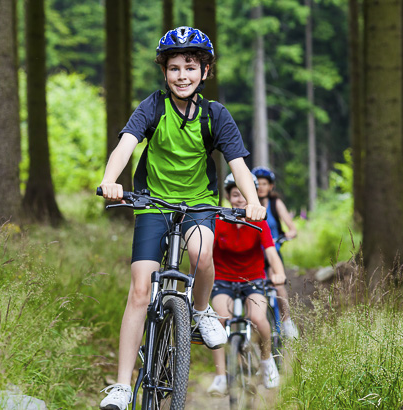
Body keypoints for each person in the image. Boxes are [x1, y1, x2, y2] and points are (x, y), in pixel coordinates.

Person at [99, 26, 266, 410]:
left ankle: (201, 309)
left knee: (204, 257)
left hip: (199, 205)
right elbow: (126, 144)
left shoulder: (215, 114)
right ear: (165, 72)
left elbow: (238, 165)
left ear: (204, 71)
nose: (182, 75)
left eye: (190, 67)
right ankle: (123, 387)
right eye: (174, 68)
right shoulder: (152, 107)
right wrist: (110, 180)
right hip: (153, 204)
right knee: (141, 289)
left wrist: (253, 202)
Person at [207, 173, 284, 395]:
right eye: (234, 194)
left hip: (253, 280)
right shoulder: (219, 220)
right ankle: (220, 376)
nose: (239, 199)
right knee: (219, 321)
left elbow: (271, 252)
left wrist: (278, 273)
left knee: (258, 317)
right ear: (229, 197)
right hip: (223, 280)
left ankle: (267, 363)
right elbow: (206, 254)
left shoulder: (258, 221)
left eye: (243, 194)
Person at [251, 166, 299, 339]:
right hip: (254, 254)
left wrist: (286, 236)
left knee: (278, 286)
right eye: (258, 184)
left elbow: (292, 228)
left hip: (272, 254)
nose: (262, 187)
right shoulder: (249, 204)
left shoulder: (275, 203)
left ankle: (286, 321)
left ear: (271, 186)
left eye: (265, 184)